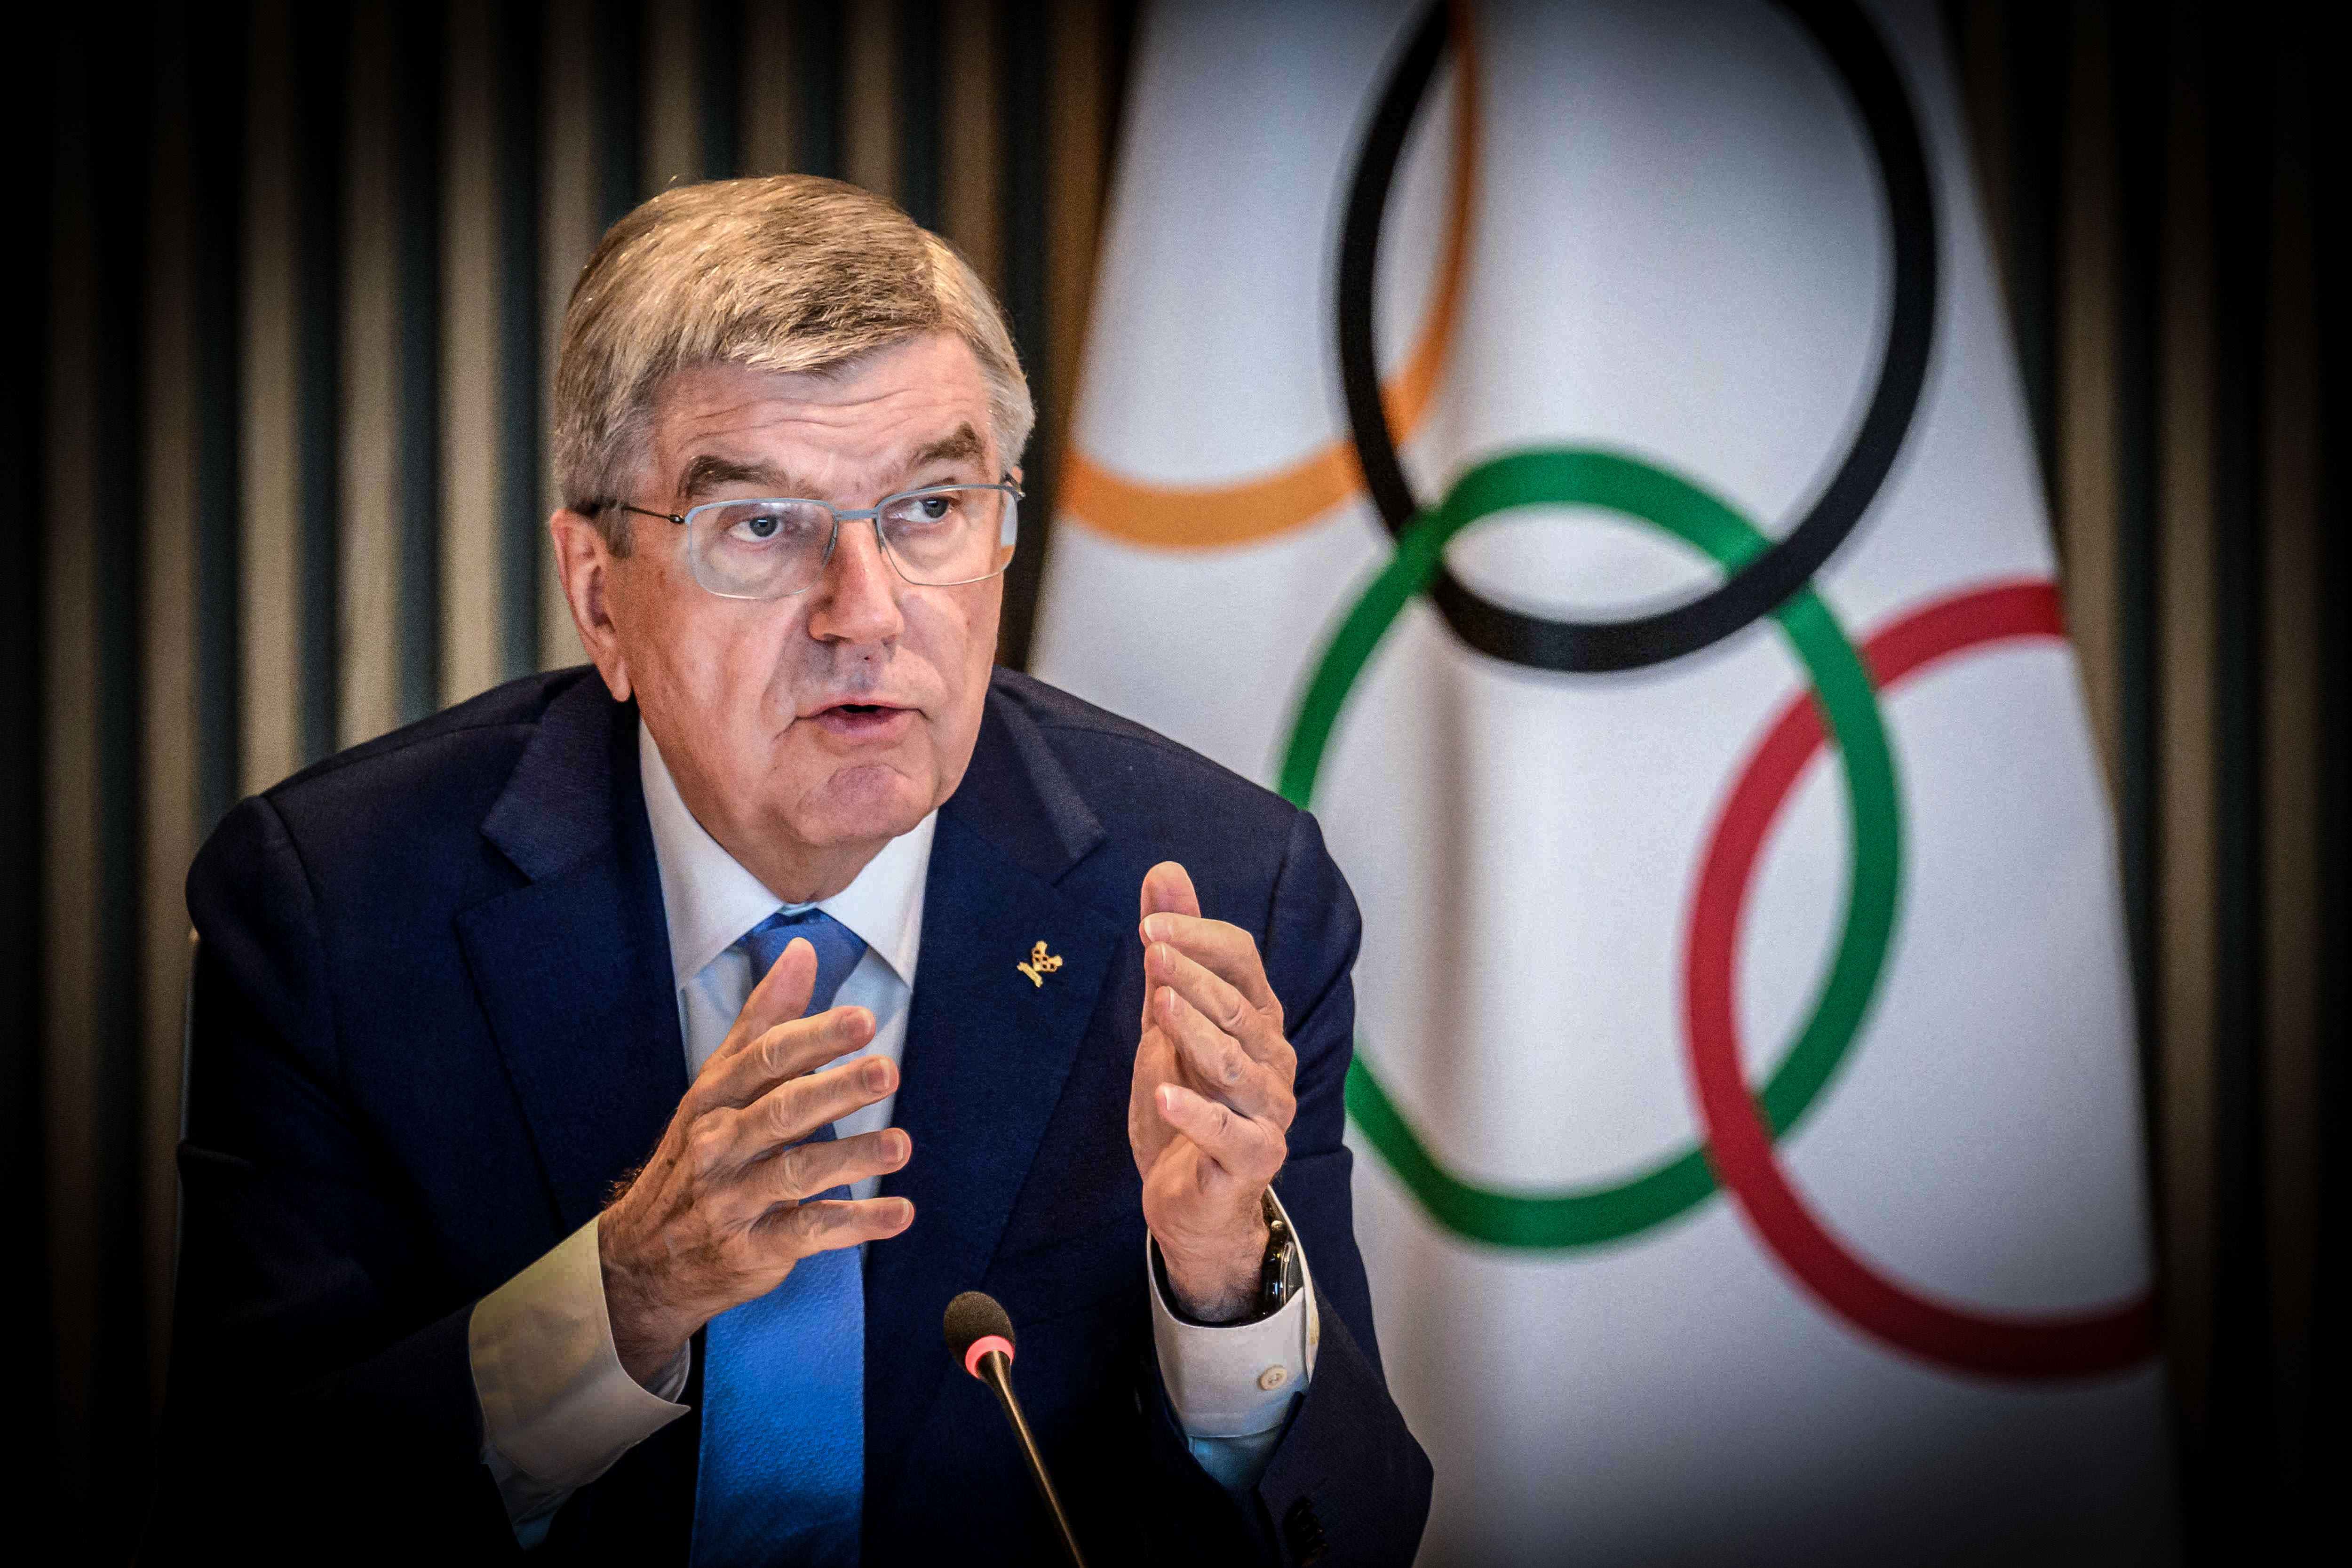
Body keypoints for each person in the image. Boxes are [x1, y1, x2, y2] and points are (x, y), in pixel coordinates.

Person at [151, 175, 1430, 1566]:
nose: (865, 614)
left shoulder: (1222, 895)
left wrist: (1224, 1283)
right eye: (762, 525)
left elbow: (1348, 1534)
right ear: (600, 597)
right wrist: (624, 1299)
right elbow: (249, 1515)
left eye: (931, 506)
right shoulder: (338, 911)